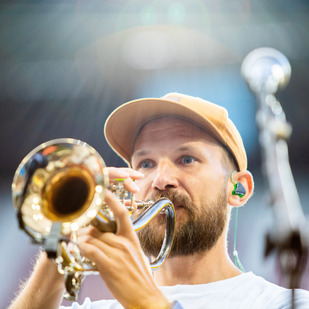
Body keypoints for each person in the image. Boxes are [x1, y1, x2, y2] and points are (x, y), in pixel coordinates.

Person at [9, 93, 309, 309]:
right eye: (146, 164)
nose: (160, 179)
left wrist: (145, 302)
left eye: (186, 159)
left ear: (239, 190)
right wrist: (60, 238)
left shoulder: (280, 303)